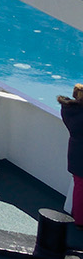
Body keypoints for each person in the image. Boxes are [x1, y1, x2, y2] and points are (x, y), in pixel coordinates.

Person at [59, 83, 83, 226]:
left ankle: (78, 219)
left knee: (79, 187)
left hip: (75, 152)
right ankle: (79, 221)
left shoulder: (69, 111)